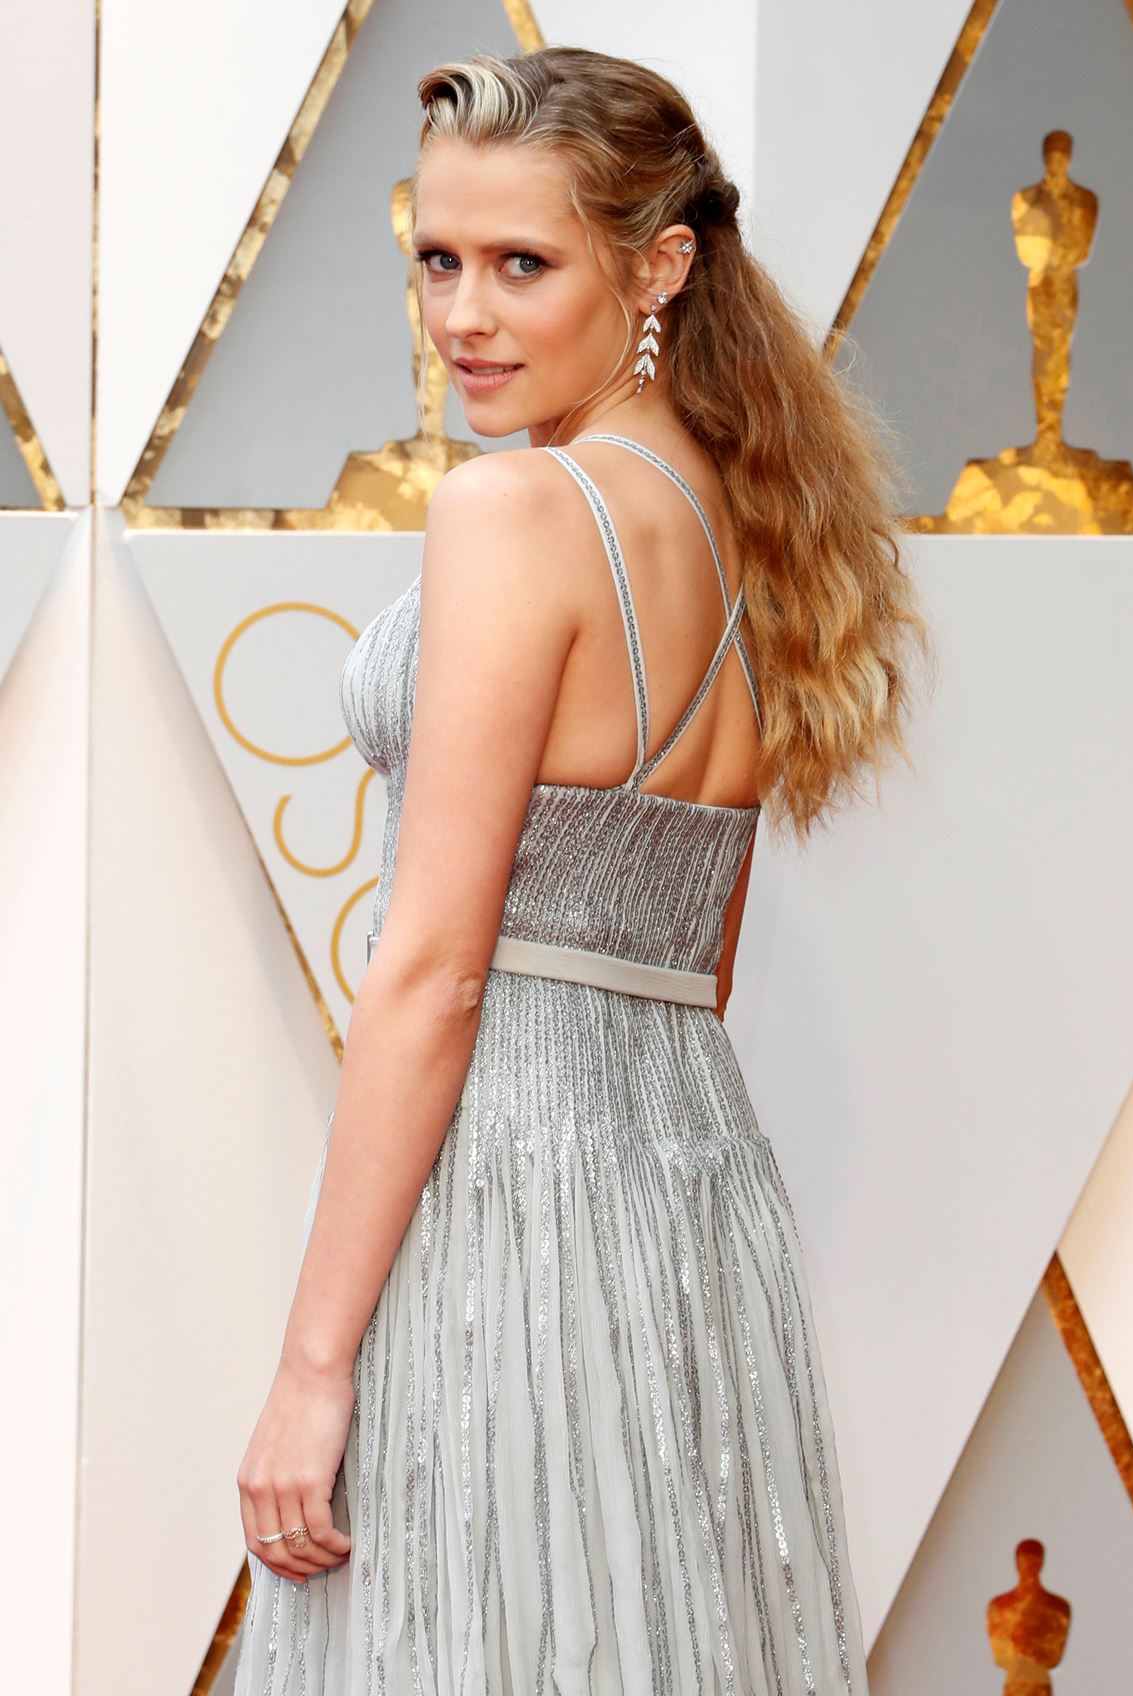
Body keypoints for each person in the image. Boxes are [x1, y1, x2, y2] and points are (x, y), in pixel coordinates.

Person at [231, 43, 929, 1695]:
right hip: (687, 1202)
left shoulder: (516, 511)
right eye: (438, 259)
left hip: (499, 1193)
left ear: (659, 267)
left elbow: (432, 970)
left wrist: (314, 1367)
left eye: (521, 265)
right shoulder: (755, 524)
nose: (464, 315)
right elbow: (699, 961)